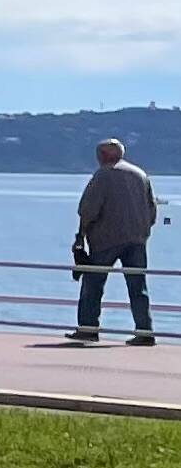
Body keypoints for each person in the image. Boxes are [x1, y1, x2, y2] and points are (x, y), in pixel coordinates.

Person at [73, 136, 156, 345]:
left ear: (103, 155)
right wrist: (143, 230)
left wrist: (80, 236)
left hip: (106, 240)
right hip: (137, 239)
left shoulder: (104, 175)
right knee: (138, 287)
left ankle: (88, 328)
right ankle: (145, 330)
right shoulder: (140, 175)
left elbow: (88, 210)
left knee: (93, 284)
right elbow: (152, 209)